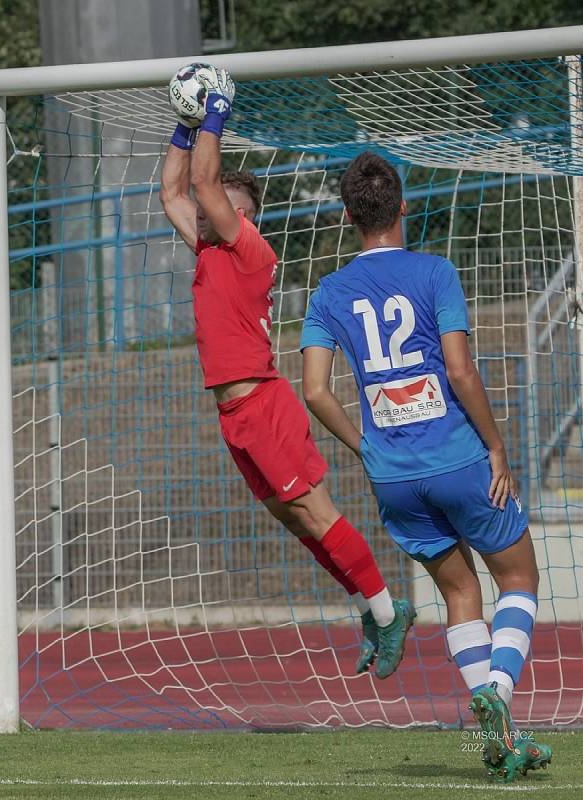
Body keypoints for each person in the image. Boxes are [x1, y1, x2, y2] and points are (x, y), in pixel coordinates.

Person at [300, 151, 552, 781]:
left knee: (459, 592)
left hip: (393, 477)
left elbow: (313, 392)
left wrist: (366, 448)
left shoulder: (330, 292)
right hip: (458, 459)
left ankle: (502, 740)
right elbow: (460, 370)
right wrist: (496, 446)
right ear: (404, 206)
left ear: (348, 215)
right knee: (519, 580)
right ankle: (497, 687)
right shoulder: (435, 272)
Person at [159, 74, 416, 681]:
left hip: (264, 404)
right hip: (233, 415)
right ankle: (368, 608)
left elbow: (197, 181)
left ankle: (391, 609)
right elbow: (172, 189)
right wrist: (185, 123)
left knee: (318, 513)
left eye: (215, 202)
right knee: (297, 522)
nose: (198, 207)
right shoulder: (207, 249)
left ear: (239, 214)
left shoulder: (250, 250)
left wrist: (216, 110)